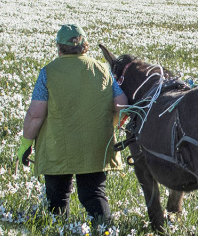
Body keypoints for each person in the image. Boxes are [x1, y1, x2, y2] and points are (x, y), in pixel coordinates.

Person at [15, 24, 127, 224]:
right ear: (85, 45)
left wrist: (25, 144)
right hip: (95, 145)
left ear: (59, 47)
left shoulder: (48, 72)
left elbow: (35, 115)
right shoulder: (102, 70)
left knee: (58, 198)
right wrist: (112, 124)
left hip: (57, 146)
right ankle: (106, 234)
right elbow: (121, 104)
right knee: (93, 194)